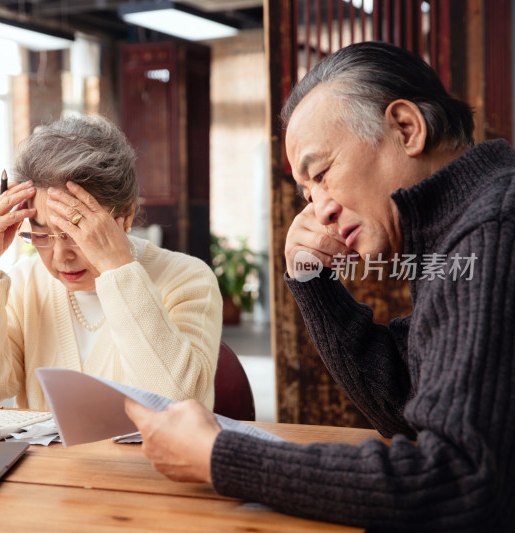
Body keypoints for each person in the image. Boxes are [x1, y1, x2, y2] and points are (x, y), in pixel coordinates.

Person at [125, 41, 515, 531]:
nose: (318, 211)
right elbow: (405, 409)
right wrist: (315, 284)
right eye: (308, 193)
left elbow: (459, 482)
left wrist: (219, 456)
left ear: (406, 128)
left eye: (323, 174)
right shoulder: (456, 232)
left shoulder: (491, 230)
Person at [0, 114, 222, 410]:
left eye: (76, 232)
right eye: (41, 235)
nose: (61, 257)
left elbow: (175, 401)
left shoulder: (188, 279)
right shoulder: (25, 284)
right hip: (45, 459)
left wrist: (120, 271)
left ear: (124, 216)